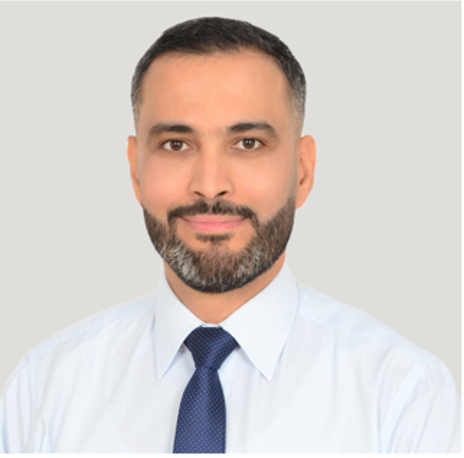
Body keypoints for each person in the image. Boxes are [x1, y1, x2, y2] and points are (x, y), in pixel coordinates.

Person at [0, 17, 461, 455]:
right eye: (176, 144)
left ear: (302, 172)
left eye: (248, 143)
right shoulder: (43, 389)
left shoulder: (403, 397)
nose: (210, 184)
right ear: (135, 170)